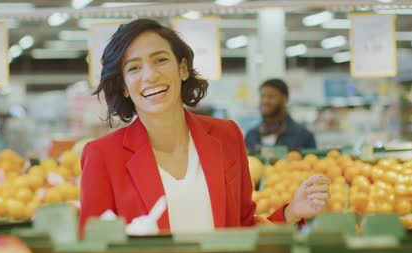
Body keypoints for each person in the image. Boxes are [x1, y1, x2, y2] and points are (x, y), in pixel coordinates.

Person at [79, 19, 330, 235]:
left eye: (160, 60)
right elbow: (94, 250)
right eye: (134, 68)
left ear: (183, 68)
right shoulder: (102, 156)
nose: (150, 75)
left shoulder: (227, 137)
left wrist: (291, 213)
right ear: (124, 85)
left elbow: (243, 229)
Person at [245, 78, 316, 153]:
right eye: (262, 96)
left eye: (270, 96)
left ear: (285, 99)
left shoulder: (303, 136)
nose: (265, 101)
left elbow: (312, 162)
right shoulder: (251, 136)